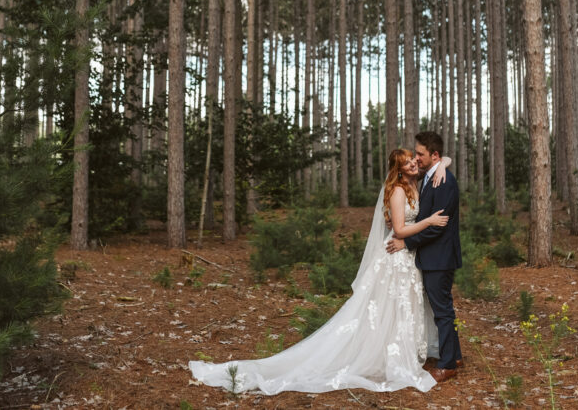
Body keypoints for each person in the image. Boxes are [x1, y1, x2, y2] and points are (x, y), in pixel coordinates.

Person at [188, 149, 446, 394]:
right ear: (399, 171)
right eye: (407, 163)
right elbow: (399, 230)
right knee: (388, 307)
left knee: (403, 306)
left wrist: (443, 163)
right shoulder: (399, 191)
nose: (413, 163)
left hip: (408, 257)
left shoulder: (416, 183)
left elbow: (444, 159)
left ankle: (401, 352)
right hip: (395, 257)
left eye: (413, 159)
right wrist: (430, 221)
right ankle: (389, 358)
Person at [386, 131, 463, 383]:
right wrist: (443, 162)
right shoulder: (428, 175)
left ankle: (448, 364)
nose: (416, 158)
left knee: (442, 310)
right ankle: (456, 355)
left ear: (434, 155)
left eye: (420, 154)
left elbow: (435, 226)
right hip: (430, 256)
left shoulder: (443, 181)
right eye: (415, 153)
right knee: (439, 308)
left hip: (439, 257)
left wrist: (406, 241)